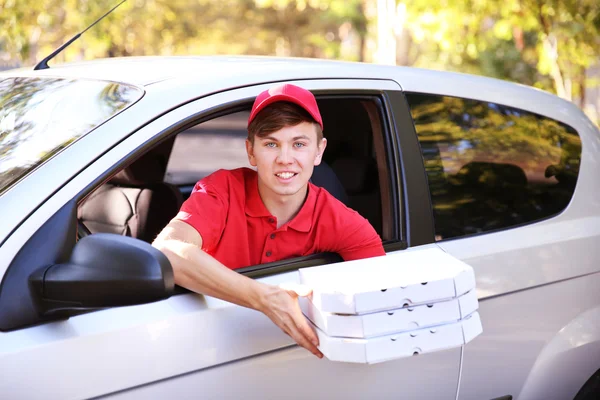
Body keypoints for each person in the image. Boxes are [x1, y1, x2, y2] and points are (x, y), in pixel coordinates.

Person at [152, 84, 385, 358]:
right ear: (251, 151)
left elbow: (383, 299)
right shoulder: (222, 190)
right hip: (200, 347)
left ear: (319, 151)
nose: (285, 159)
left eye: (299, 144)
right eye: (271, 144)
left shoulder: (343, 222)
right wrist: (265, 299)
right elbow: (167, 250)